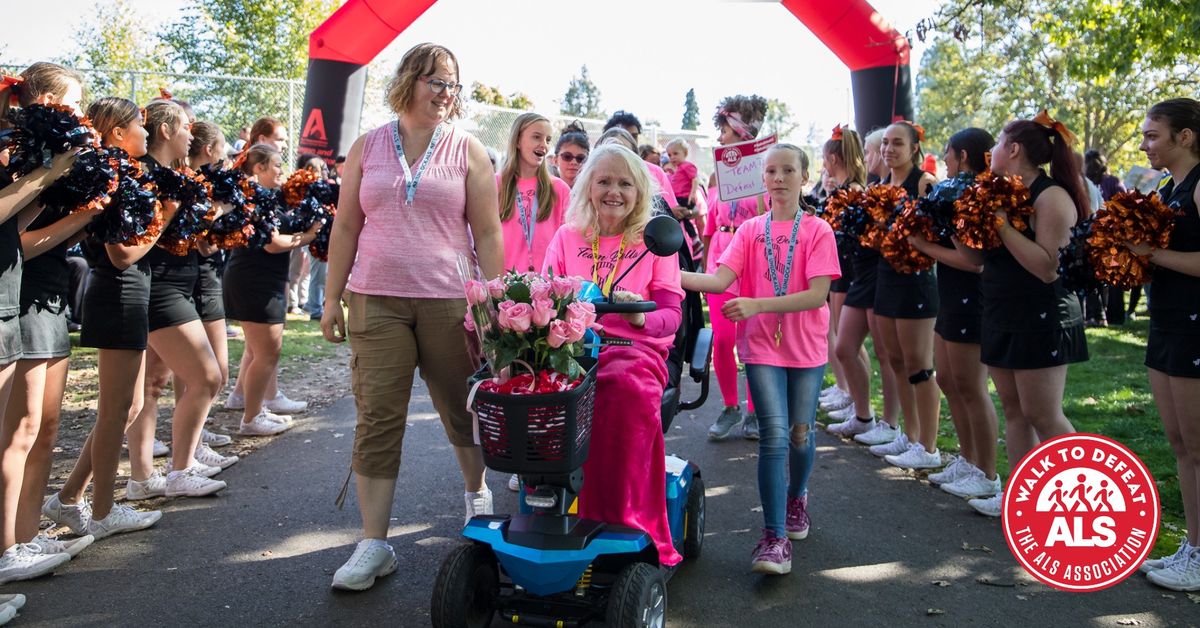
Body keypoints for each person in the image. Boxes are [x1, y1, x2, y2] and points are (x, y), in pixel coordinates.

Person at [320, 43, 503, 591]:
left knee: (459, 408)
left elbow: (488, 232)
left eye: (453, 84)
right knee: (378, 417)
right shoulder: (367, 147)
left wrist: (493, 304)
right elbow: (347, 226)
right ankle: (374, 544)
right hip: (376, 299)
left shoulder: (468, 150)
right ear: (408, 82)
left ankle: (478, 500)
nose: (446, 93)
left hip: (450, 302)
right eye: (435, 81)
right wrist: (332, 297)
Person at [683, 144, 839, 574]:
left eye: (788, 170)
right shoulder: (751, 230)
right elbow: (717, 280)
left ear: (803, 177)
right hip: (762, 347)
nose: (779, 177)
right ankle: (774, 538)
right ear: (762, 179)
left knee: (800, 434)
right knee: (774, 436)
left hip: (806, 345)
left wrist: (757, 305)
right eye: (771, 170)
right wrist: (664, 273)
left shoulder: (818, 230)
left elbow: (818, 294)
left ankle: (797, 497)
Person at [543, 143, 684, 570]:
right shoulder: (567, 237)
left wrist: (641, 321)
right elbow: (544, 294)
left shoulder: (653, 242)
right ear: (587, 187)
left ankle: (622, 522)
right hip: (571, 348)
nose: (614, 191)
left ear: (641, 191)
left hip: (634, 351)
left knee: (620, 390)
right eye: (604, 181)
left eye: (625, 183)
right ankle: (548, 514)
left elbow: (671, 316)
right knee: (537, 397)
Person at [45, 97, 180, 540]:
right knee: (115, 409)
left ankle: (68, 497)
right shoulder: (113, 172)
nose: (146, 131)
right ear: (117, 134)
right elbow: (122, 256)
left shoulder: (127, 171)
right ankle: (101, 511)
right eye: (139, 125)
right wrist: (164, 220)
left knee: (130, 405)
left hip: (129, 293)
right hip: (119, 292)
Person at [956, 111, 1090, 517]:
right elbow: (975, 258)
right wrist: (959, 223)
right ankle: (1022, 498)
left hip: (1041, 314)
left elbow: (1047, 267)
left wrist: (1000, 224)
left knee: (1043, 414)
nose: (991, 151)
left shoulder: (1051, 196)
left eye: (997, 143)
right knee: (1014, 411)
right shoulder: (996, 192)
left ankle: (1080, 501)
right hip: (1000, 308)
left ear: (1013, 150)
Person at [0, 61, 92, 583]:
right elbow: (20, 240)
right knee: (19, 430)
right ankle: (10, 545)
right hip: (24, 295)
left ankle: (26, 537)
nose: (78, 114)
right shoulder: (19, 151)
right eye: (72, 103)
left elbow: (19, 226)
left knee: (43, 428)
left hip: (41, 296)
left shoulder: (44, 157)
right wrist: (65, 192)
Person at [123, 101, 229, 502]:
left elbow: (192, 242)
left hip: (179, 283)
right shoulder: (145, 177)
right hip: (158, 287)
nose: (192, 134)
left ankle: (141, 477)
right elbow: (134, 241)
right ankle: (180, 469)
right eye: (186, 127)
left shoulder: (175, 176)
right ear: (166, 131)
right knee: (207, 377)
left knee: (153, 385)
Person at [1127, 98, 1200, 591]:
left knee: (1198, 446)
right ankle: (1192, 546)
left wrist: (1148, 252)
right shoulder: (1169, 189)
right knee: (1182, 445)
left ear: (1185, 136)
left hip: (1196, 326)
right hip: (1167, 323)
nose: (1145, 144)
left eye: (1154, 135)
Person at [909, 128, 1003, 500]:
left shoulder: (971, 195)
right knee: (948, 379)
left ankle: (987, 471)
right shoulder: (954, 191)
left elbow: (972, 262)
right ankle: (967, 459)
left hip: (971, 297)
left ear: (962, 155)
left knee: (971, 385)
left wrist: (922, 245)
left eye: (948, 154)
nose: (944, 161)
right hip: (949, 294)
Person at [223, 144, 323, 436]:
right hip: (255, 281)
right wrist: (310, 236)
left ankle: (256, 409)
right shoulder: (255, 198)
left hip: (263, 279)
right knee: (267, 352)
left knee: (261, 352)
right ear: (259, 168)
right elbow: (272, 242)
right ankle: (252, 417)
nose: (282, 171)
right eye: (277, 165)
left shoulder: (271, 198)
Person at [869, 121, 943, 469]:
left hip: (916, 281)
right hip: (886, 277)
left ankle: (928, 446)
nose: (888, 149)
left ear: (914, 148)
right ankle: (908, 434)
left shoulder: (924, 184)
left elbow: (938, 233)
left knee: (918, 366)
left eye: (897, 143)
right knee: (894, 359)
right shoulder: (881, 184)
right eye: (885, 143)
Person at [824, 128, 900, 445]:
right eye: (876, 148)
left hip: (862, 272)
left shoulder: (860, 189)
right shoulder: (870, 188)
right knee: (846, 344)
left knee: (887, 355)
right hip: (857, 270)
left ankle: (887, 422)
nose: (877, 154)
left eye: (885, 147)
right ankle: (862, 410)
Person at [703, 95, 768, 440]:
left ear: (741, 131)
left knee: (752, 342)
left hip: (753, 264)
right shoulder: (716, 175)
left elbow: (767, 218)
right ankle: (730, 406)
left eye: (725, 130)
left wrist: (759, 185)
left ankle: (756, 413)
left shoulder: (764, 170)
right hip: (719, 262)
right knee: (723, 339)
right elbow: (711, 225)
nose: (721, 138)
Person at [185, 121, 236, 448]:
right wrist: (221, 210)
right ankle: (190, 447)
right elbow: (199, 242)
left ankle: (194, 439)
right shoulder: (190, 184)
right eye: (223, 149)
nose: (227, 158)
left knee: (211, 374)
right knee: (210, 374)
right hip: (195, 278)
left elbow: (208, 244)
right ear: (209, 150)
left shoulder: (207, 183)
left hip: (205, 273)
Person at [496, 113, 571, 273]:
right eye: (537, 137)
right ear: (517, 140)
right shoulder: (495, 184)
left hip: (548, 288)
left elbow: (568, 242)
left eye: (548, 140)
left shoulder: (560, 189)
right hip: (503, 287)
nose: (544, 145)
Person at [551, 122, 589, 189]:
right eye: (567, 157)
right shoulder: (544, 191)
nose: (574, 162)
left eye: (580, 158)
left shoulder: (592, 193)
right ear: (555, 160)